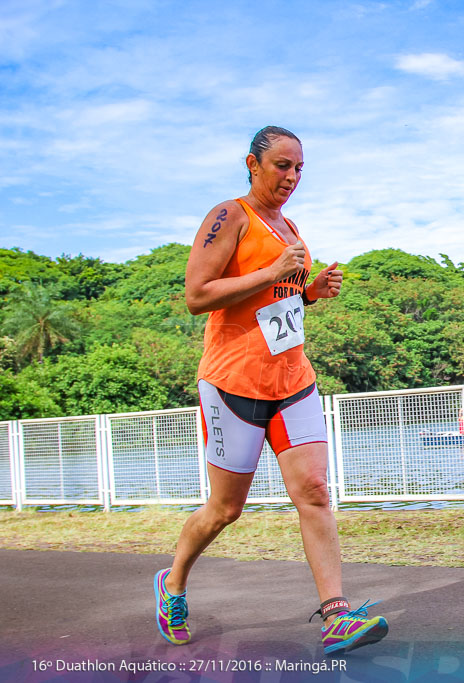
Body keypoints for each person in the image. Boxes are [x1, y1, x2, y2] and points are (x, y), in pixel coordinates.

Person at [153, 126, 388, 656]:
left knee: (315, 491)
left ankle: (335, 616)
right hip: (234, 382)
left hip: (293, 380)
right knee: (225, 509)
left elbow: (277, 303)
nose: (292, 176)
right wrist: (272, 270)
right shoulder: (228, 215)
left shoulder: (291, 226)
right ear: (253, 164)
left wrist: (308, 293)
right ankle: (172, 585)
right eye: (282, 165)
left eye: (300, 167)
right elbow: (197, 295)